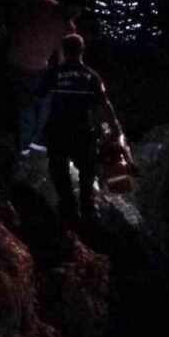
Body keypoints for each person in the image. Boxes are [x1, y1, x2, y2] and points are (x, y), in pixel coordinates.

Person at [44, 33, 125, 238]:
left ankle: (68, 211)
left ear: (63, 50)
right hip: (83, 132)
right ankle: (88, 210)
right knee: (87, 172)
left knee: (59, 171)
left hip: (58, 131)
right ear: (82, 50)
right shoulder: (91, 76)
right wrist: (115, 127)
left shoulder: (53, 74)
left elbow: (38, 100)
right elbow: (104, 104)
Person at [6, 0, 89, 158]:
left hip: (23, 62)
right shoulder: (58, 18)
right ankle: (27, 146)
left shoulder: (47, 8)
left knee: (36, 103)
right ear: (68, 3)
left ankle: (29, 143)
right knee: (32, 106)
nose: (77, 12)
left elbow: (62, 56)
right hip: (27, 66)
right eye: (76, 7)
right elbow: (62, 58)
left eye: (80, 9)